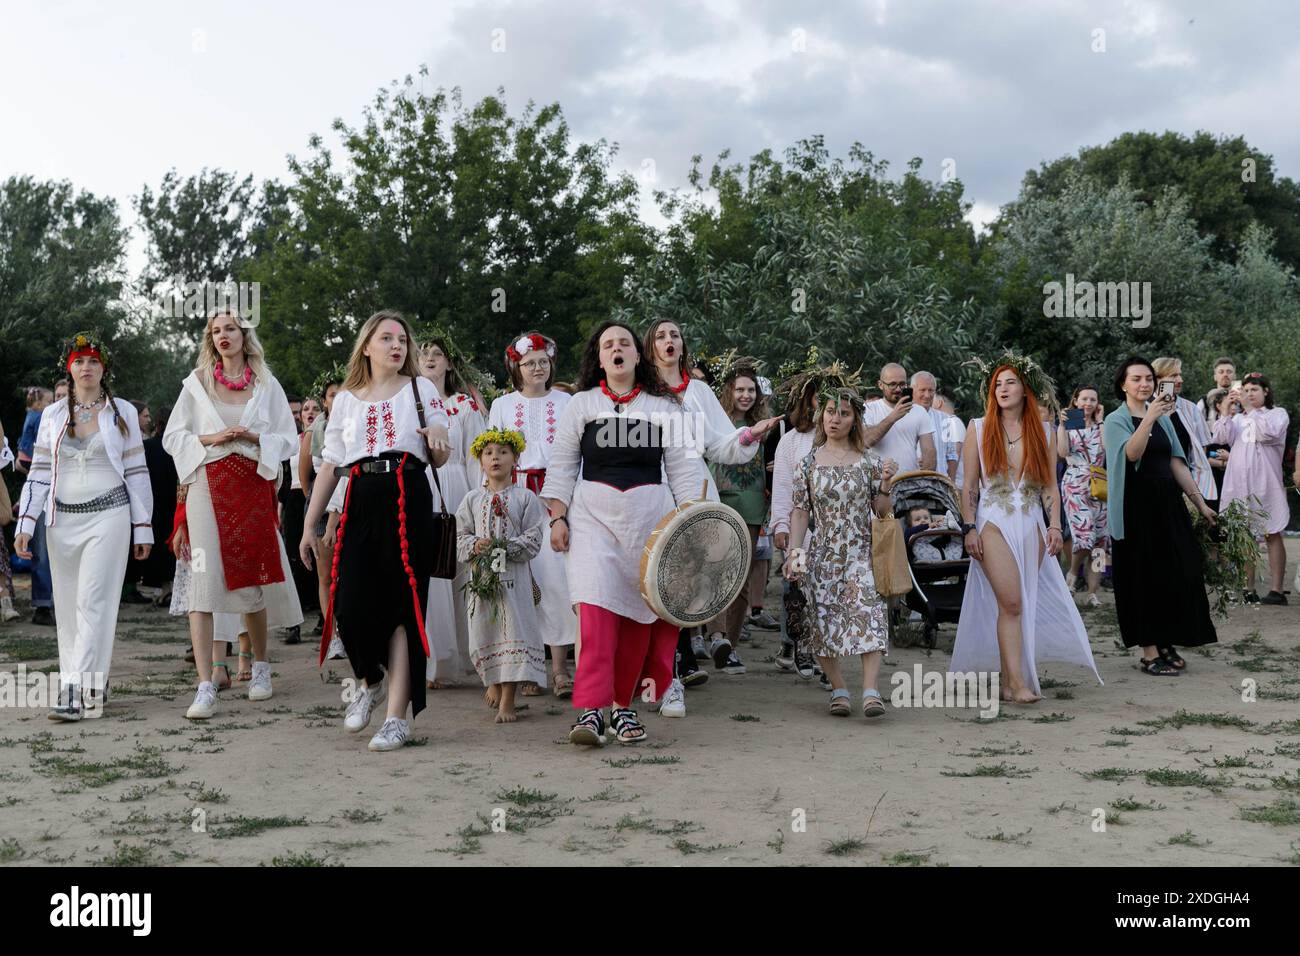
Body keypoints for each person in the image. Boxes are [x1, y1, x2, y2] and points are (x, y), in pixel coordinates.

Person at [300, 310, 451, 752]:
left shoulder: (421, 389)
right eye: (386, 338)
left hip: (407, 491)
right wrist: (310, 525)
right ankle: (370, 679)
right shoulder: (345, 398)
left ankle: (396, 719)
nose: (397, 345)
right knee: (348, 601)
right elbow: (331, 464)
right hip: (361, 494)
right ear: (366, 346)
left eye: (402, 338)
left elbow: (438, 453)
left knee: (404, 607)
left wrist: (440, 437)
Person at [540, 321, 698, 746]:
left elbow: (684, 469)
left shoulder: (665, 407)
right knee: (596, 612)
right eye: (608, 344)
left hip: (650, 524)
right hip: (592, 521)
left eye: (625, 343)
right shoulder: (582, 404)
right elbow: (561, 465)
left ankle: (622, 709)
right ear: (599, 356)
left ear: (637, 355)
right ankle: (590, 711)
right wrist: (557, 518)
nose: (617, 349)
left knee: (638, 619)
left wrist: (690, 526)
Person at [164, 311, 303, 720]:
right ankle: (206, 683)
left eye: (230, 329)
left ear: (244, 335)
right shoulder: (197, 383)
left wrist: (253, 436)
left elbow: (288, 439)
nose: (223, 336)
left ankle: (260, 665)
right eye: (215, 331)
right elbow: (174, 436)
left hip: (252, 486)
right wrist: (213, 437)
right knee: (202, 582)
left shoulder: (266, 384)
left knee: (250, 580)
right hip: (207, 486)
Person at [14, 333, 154, 719]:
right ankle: (93, 680)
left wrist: (142, 526)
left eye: (93, 361)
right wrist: (26, 523)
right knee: (70, 606)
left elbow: (138, 472)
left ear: (103, 367)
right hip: (62, 522)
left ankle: (74, 689)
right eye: (79, 361)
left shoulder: (121, 411)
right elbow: (39, 472)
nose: (86, 367)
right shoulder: (53, 415)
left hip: (109, 515)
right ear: (69, 368)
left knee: (94, 599)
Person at [644, 319, 780, 715]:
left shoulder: (699, 392)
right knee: (650, 578)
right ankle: (654, 667)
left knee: (684, 580)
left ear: (682, 344)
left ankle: (678, 661)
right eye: (660, 336)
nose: (669, 341)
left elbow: (722, 445)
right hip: (646, 489)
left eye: (674, 335)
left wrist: (750, 436)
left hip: (691, 487)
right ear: (649, 346)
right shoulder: (639, 391)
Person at [952, 357, 1100, 702]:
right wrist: (969, 527)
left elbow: (1050, 485)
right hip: (992, 520)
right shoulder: (978, 426)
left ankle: (1008, 682)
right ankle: (1018, 684)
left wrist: (1054, 525)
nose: (1003, 389)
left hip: (1031, 521)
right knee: (1012, 602)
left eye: (1011, 383)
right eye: (998, 384)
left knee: (1019, 604)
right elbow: (969, 486)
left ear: (1026, 390)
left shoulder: (1044, 432)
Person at [783, 388, 898, 718]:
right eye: (830, 412)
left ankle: (871, 691)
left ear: (855, 420)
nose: (836, 418)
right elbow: (801, 512)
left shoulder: (869, 463)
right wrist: (795, 554)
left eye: (844, 413)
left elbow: (883, 511)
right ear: (821, 416)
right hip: (822, 554)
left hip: (862, 552)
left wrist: (887, 483)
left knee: (871, 614)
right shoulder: (808, 464)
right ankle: (839, 688)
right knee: (821, 621)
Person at [1104, 357, 1218, 675]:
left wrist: (1200, 504)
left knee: (1180, 570)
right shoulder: (1116, 420)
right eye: (1137, 379)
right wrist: (1150, 417)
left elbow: (1177, 463)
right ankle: (1149, 651)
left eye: (1148, 379)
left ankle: (1167, 639)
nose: (1144, 384)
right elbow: (1131, 454)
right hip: (1135, 508)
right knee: (1143, 578)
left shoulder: (1165, 418)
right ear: (1123, 384)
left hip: (1168, 504)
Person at [488, 332, 576, 697]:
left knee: (555, 582)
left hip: (554, 497)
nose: (537, 368)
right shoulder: (503, 405)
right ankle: (526, 667)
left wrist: (564, 506)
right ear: (516, 368)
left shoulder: (568, 401)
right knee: (519, 583)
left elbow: (576, 455)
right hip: (516, 497)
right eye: (529, 363)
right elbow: (491, 455)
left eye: (543, 362)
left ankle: (559, 669)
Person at [455, 427, 546, 723]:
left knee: (513, 633)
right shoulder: (470, 500)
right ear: (480, 461)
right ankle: (492, 681)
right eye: (489, 453)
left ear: (515, 459)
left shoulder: (526, 498)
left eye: (503, 452)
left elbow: (534, 537)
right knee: (483, 631)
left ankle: (509, 699)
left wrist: (506, 547)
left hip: (514, 582)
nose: (495, 458)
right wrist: (475, 544)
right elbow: (459, 535)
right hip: (482, 581)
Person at [417, 330, 487, 690]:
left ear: (449, 362)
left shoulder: (464, 405)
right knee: (430, 574)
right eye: (423, 353)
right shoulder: (408, 401)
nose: (429, 358)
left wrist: (482, 505)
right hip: (421, 487)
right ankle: (434, 660)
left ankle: (468, 654)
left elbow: (479, 457)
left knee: (461, 573)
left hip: (458, 488)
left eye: (437, 353)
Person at [706, 362, 776, 677]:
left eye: (751, 390)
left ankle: (729, 648)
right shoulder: (714, 421)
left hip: (750, 507)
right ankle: (714, 636)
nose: (745, 395)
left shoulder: (766, 425)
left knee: (740, 578)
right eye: (740, 389)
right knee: (714, 571)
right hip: (717, 501)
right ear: (729, 392)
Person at [1213, 372, 1290, 604]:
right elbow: (1220, 437)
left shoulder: (1277, 414)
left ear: (1265, 391)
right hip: (1238, 483)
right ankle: (1249, 588)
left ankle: (1276, 590)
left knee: (1272, 532)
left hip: (1266, 482)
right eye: (1245, 390)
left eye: (1254, 390)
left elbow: (1269, 433)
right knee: (1244, 535)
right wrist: (1225, 412)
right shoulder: (1238, 419)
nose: (1249, 394)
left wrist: (1250, 408)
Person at [300, 367, 347, 659]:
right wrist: (314, 505)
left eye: (343, 392)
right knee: (326, 576)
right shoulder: (317, 429)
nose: (338, 397)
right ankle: (334, 636)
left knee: (351, 575)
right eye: (332, 394)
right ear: (325, 400)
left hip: (353, 501)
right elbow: (307, 475)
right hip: (323, 503)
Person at [1055, 386, 1108, 605]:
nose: (1088, 403)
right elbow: (1063, 452)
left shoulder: (1100, 427)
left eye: (1093, 400)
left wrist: (1102, 420)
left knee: (1101, 542)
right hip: (1075, 482)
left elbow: (1107, 448)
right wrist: (1063, 425)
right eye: (1084, 399)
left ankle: (1093, 592)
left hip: (1100, 484)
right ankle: (1073, 574)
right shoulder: (1070, 426)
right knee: (1085, 535)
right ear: (1076, 401)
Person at [1153, 357, 1218, 511]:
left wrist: (1195, 485)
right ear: (1157, 379)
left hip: (1185, 484)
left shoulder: (1190, 408)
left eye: (1180, 375)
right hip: (1155, 481)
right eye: (1173, 376)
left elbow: (1200, 450)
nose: (1180, 380)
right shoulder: (1145, 407)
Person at [17, 387, 56, 625]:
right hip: (44, 490)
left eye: (61, 397)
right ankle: (43, 605)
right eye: (54, 398)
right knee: (41, 550)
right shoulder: (43, 418)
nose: (56, 402)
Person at [862, 363, 936, 473]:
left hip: (909, 483)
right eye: (892, 384)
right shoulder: (869, 409)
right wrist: (893, 417)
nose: (898, 389)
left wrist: (925, 481)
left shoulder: (919, 411)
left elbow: (929, 453)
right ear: (880, 384)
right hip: (876, 483)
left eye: (902, 384)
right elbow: (866, 441)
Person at [911, 371, 955, 479]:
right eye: (922, 390)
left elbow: (951, 455)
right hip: (909, 485)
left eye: (930, 390)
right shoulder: (901, 417)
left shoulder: (945, 420)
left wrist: (951, 483)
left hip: (939, 486)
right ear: (912, 390)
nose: (927, 395)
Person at [934, 394, 966, 487]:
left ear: (939, 403)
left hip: (955, 485)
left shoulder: (953, 422)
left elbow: (955, 454)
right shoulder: (947, 422)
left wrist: (950, 484)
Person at [1197, 357, 1236, 426]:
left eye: (1229, 372)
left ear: (1235, 376)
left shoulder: (1242, 401)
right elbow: (1196, 426)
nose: (1225, 374)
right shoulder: (1204, 402)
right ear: (1215, 377)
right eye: (1221, 372)